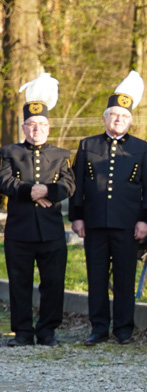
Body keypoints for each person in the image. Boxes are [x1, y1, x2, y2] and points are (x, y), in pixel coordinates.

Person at [69, 71, 147, 345]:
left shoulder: (142, 148)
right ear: (105, 118)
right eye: (113, 115)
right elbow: (77, 183)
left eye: (123, 116)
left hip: (127, 224)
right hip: (94, 223)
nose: (118, 120)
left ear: (130, 120)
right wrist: (77, 217)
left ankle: (123, 329)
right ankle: (98, 328)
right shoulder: (87, 145)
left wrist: (145, 220)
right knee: (96, 277)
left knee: (124, 277)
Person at [1, 73, 74, 347]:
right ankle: (22, 332)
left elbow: (68, 184)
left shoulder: (60, 155)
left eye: (41, 124)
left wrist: (48, 191)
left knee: (53, 283)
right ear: (23, 127)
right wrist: (29, 191)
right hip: (20, 230)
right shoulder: (9, 152)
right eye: (31, 125)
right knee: (19, 284)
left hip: (51, 230)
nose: (36, 130)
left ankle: (47, 331)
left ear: (49, 126)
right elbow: (4, 181)